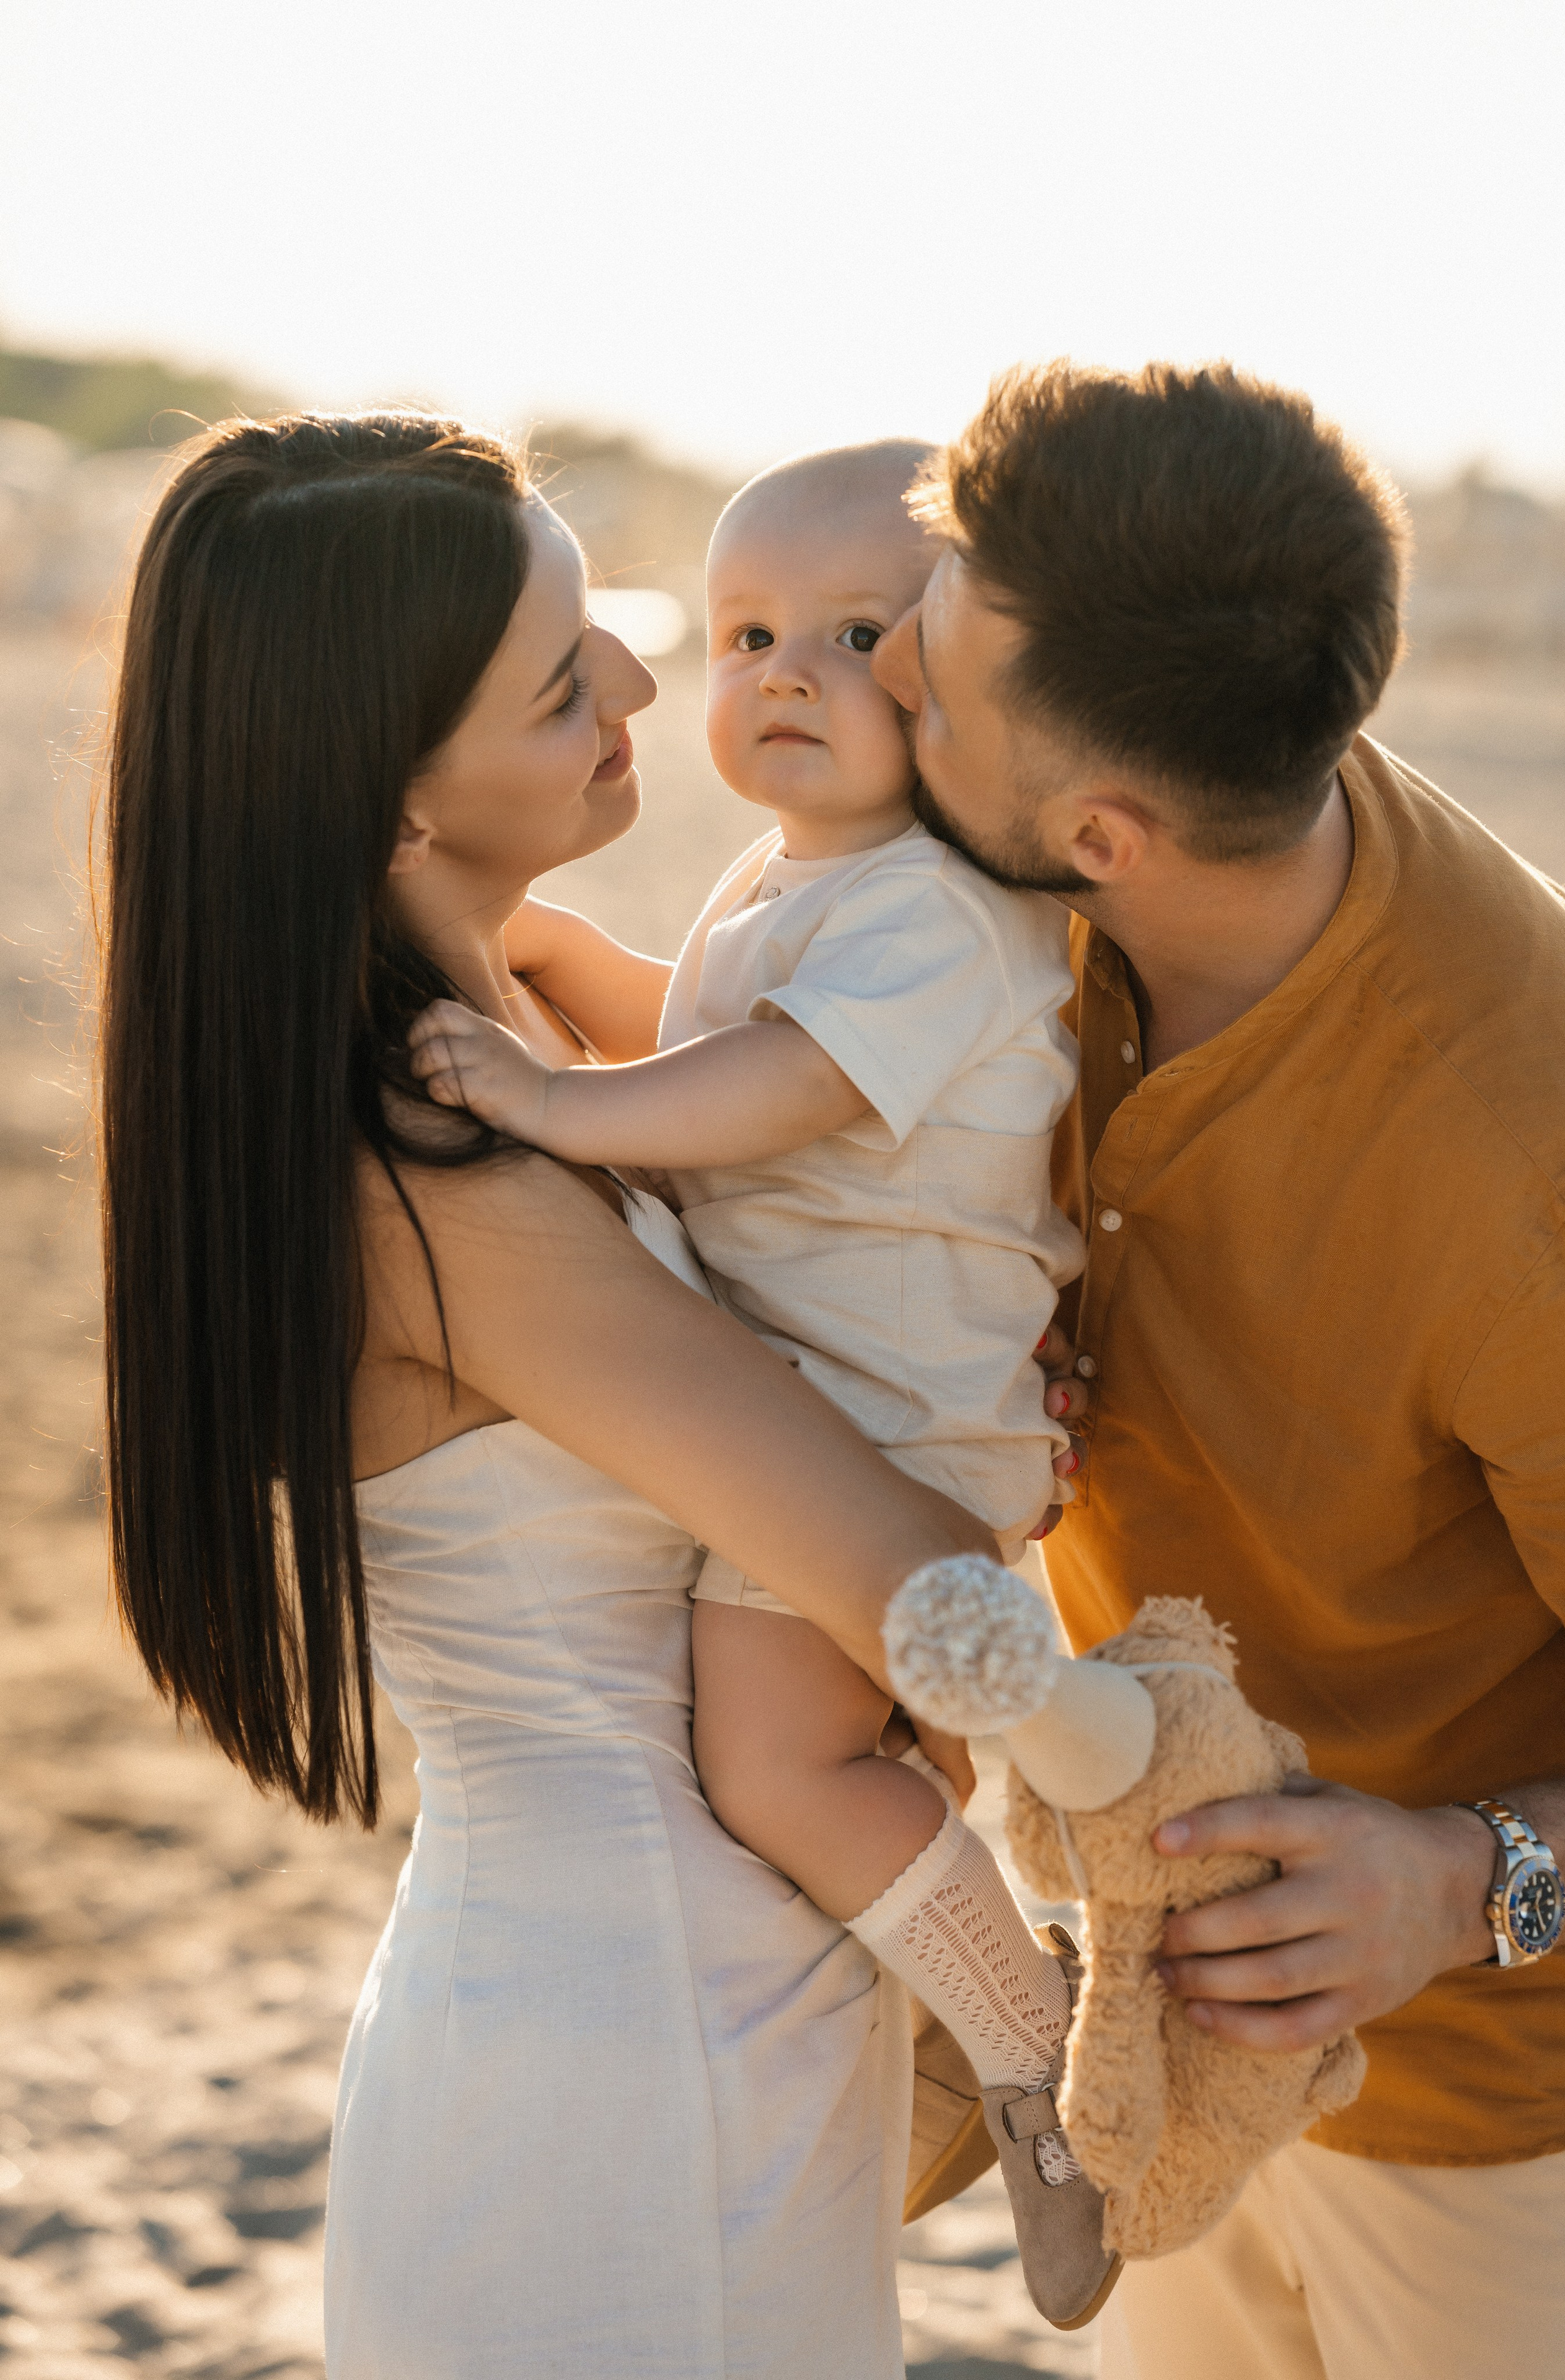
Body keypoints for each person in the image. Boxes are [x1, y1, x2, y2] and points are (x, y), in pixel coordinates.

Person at [95, 412, 1038, 2379]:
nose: (637, 674)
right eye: (556, 682)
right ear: (390, 813)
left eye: (600, 616)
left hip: (652, 2028)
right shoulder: (452, 1180)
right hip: (629, 2100)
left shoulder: (511, 1032)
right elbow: (909, 1575)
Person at [870, 359, 1565, 2379]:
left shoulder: (1535, 1172)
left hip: (1512, 2130)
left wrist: (1467, 1882)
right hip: (1164, 2033)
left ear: (1102, 830)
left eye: (921, 688)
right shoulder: (1022, 907)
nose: (879, 701)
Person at [408, 441, 1116, 2325]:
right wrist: (553, 963)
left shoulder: (939, 912)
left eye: (855, 635)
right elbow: (721, 1047)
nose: (775, 673)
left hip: (895, 1420)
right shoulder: (800, 880)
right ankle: (1012, 2016)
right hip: (854, 1398)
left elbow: (774, 1093)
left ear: (967, 680)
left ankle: (1036, 2057)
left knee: (781, 1758)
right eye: (743, 633)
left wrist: (559, 1092)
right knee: (825, 1755)